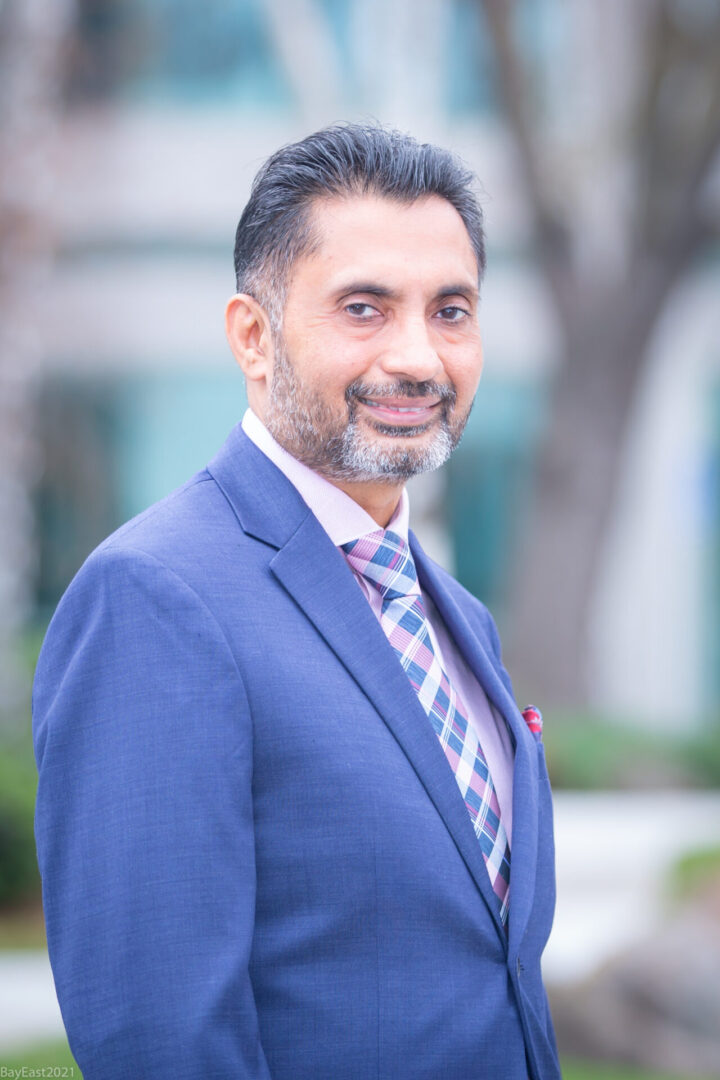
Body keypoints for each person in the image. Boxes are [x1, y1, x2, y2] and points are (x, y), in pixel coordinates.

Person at [33, 124, 561, 1080]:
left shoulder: (457, 618)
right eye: (364, 308)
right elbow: (160, 1040)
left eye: (451, 311)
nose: (419, 358)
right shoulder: (157, 597)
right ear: (252, 334)